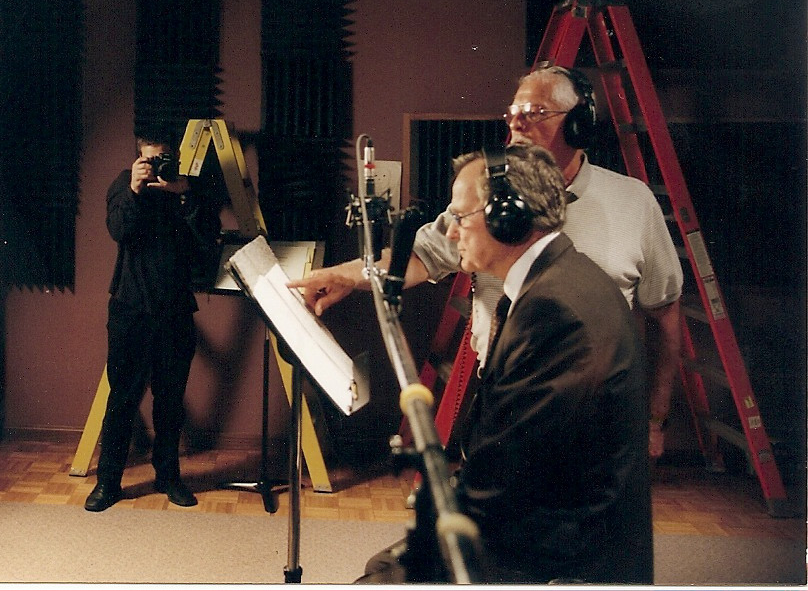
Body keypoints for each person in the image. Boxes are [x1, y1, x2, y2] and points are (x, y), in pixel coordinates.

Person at [289, 64, 683, 457]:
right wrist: (342, 275)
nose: (517, 125)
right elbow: (417, 257)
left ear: (579, 124)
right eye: (512, 114)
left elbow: (664, 316)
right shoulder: (487, 198)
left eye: (535, 113)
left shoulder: (634, 203)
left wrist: (655, 420)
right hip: (504, 399)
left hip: (593, 415)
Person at [363, 145, 652, 583]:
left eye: (460, 217)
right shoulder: (565, 279)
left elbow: (504, 486)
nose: (453, 233)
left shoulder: (555, 313)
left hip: (567, 559)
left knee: (385, 574)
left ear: (508, 218)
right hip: (558, 526)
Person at [84, 127, 221, 513]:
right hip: (131, 311)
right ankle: (107, 484)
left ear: (175, 158)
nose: (157, 166)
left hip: (176, 310)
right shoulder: (124, 186)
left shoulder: (186, 192)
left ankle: (168, 477)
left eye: (164, 159)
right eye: (150, 160)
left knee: (170, 401)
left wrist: (185, 197)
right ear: (138, 158)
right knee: (122, 400)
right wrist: (133, 190)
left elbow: (206, 242)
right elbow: (118, 230)